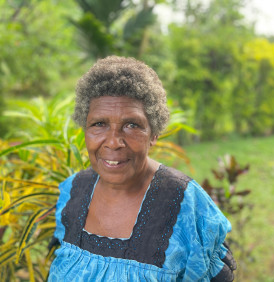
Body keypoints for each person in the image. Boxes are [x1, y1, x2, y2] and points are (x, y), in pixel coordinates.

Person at [48, 56, 236, 281]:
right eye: (99, 124)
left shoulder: (186, 203)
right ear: (85, 128)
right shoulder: (72, 191)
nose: (113, 141)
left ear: (154, 133)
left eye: (131, 125)